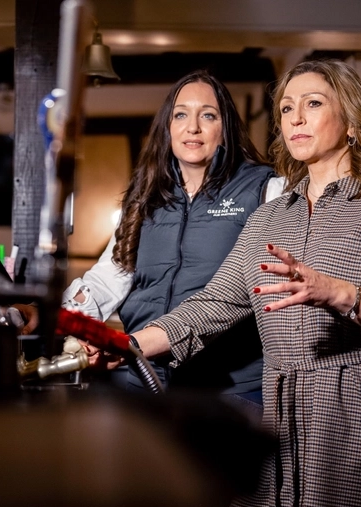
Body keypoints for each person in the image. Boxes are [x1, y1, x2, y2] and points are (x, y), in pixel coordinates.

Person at [120, 59, 361, 507]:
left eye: (313, 104)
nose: (295, 117)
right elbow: (215, 302)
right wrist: (124, 344)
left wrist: (340, 292)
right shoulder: (270, 218)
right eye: (287, 108)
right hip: (283, 421)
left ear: (352, 120)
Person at [17, 69, 283, 417]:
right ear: (167, 127)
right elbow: (107, 280)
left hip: (228, 389)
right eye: (181, 115)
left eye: (208, 115)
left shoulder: (265, 190)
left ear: (226, 126)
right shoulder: (145, 198)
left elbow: (248, 290)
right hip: (144, 376)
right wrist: (51, 316)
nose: (192, 127)